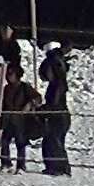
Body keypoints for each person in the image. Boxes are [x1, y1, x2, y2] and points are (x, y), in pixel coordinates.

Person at [39, 42, 76, 173]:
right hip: (57, 116)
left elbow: (54, 104)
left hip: (59, 116)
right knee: (51, 141)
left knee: (54, 141)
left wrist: (42, 109)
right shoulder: (57, 82)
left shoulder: (58, 84)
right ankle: (54, 166)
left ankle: (60, 168)